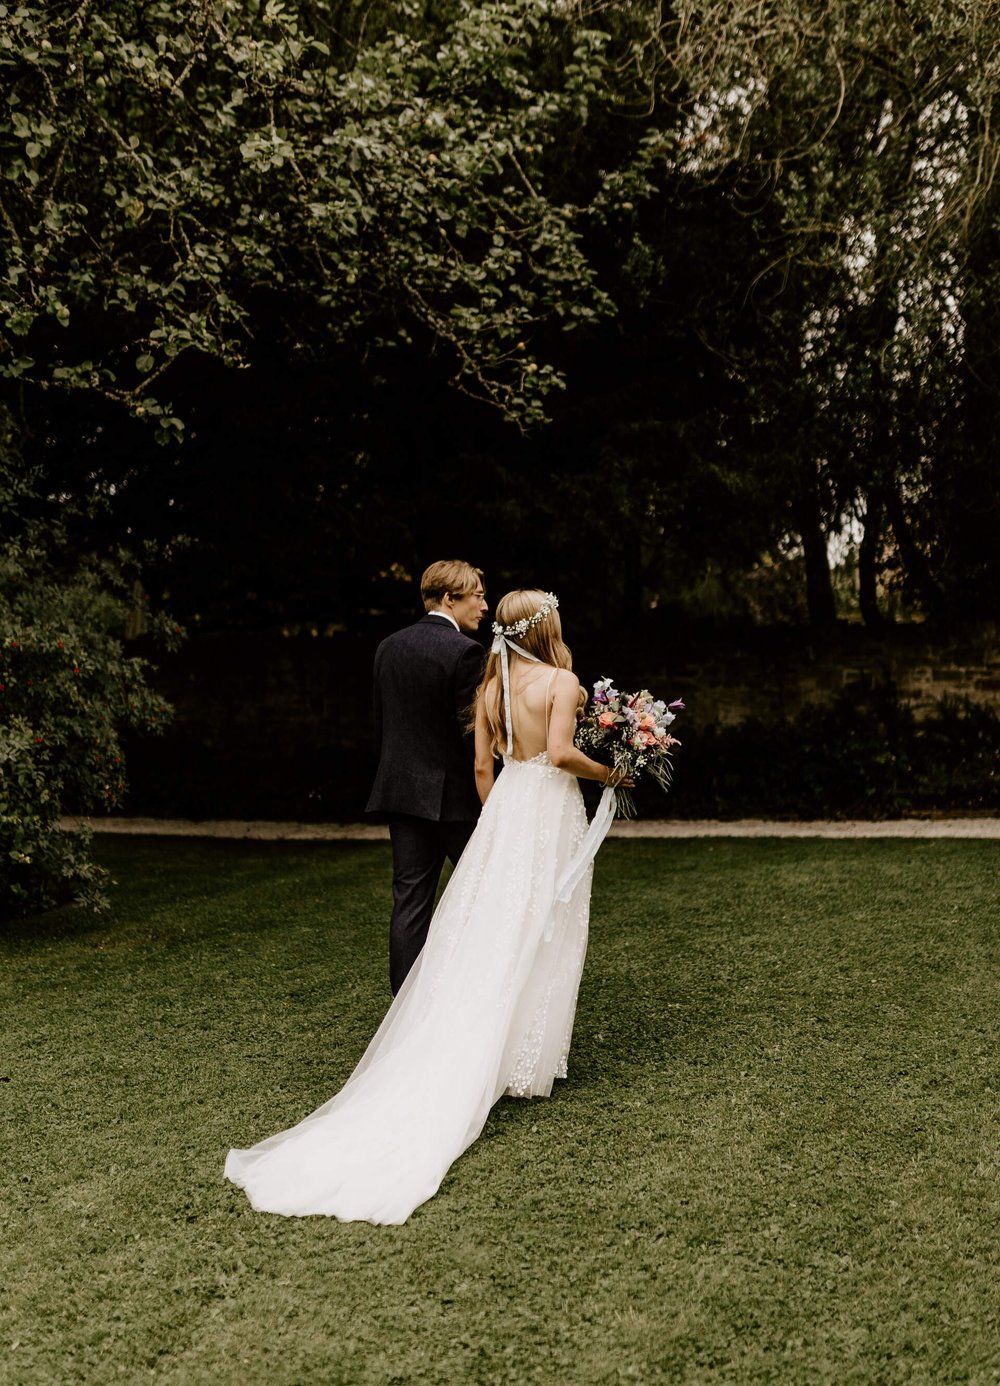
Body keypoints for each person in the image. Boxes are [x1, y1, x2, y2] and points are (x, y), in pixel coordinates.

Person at [225, 589, 630, 1224]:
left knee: (489, 929)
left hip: (507, 811)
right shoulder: (563, 681)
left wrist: (500, 816)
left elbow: (480, 770)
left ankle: (495, 1041)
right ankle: (526, 1062)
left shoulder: (492, 684)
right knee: (545, 927)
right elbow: (560, 756)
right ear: (547, 624)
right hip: (548, 811)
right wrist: (615, 774)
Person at [365, 560, 489, 994]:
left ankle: (405, 1011)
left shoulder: (388, 646)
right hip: (456, 798)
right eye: (477, 595)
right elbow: (472, 736)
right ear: (451, 599)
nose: (485, 606)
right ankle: (479, 996)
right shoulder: (465, 652)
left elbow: (384, 726)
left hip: (401, 793)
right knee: (489, 892)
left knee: (410, 903)